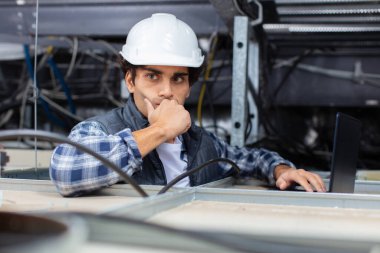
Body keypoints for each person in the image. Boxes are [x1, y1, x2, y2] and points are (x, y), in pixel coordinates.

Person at [49, 13, 326, 197]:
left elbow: (250, 158)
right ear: (130, 81)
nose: (167, 91)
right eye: (152, 76)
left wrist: (282, 170)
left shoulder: (201, 141)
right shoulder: (100, 130)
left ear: (189, 85)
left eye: (178, 78)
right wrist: (159, 131)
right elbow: (65, 170)